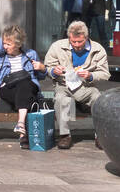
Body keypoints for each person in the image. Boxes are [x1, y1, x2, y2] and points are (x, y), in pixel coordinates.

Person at [42, 20, 111, 150]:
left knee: (97, 98)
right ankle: (65, 135)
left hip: (86, 87)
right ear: (69, 38)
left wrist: (90, 76)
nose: (77, 45)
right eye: (73, 42)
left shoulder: (97, 49)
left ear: (86, 37)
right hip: (64, 84)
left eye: (80, 42)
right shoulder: (57, 46)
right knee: (61, 99)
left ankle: (100, 136)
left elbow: (105, 73)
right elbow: (47, 67)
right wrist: (53, 71)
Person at [0, 24, 46, 148]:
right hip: (7, 88)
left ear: (18, 44)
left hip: (28, 86)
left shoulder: (31, 54)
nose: (5, 46)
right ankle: (23, 132)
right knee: (28, 96)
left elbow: (40, 76)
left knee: (25, 83)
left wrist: (42, 68)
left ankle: (21, 127)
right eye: (4, 43)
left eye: (8, 44)